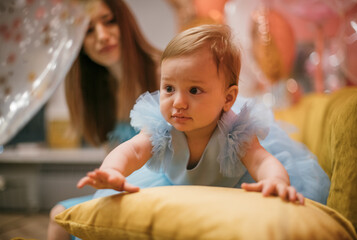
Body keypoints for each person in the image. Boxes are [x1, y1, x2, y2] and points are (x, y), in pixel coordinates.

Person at [77, 24, 330, 207]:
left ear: (228, 99)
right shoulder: (161, 127)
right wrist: (112, 170)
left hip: (230, 195)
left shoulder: (235, 131)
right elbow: (131, 151)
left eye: (194, 90)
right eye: (168, 88)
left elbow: (261, 161)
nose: (178, 102)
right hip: (175, 189)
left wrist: (275, 180)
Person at [47, 0, 161, 239]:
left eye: (109, 21)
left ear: (126, 23)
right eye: (88, 30)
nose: (102, 36)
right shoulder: (97, 92)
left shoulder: (163, 73)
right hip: (122, 188)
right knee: (59, 215)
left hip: (164, 182)